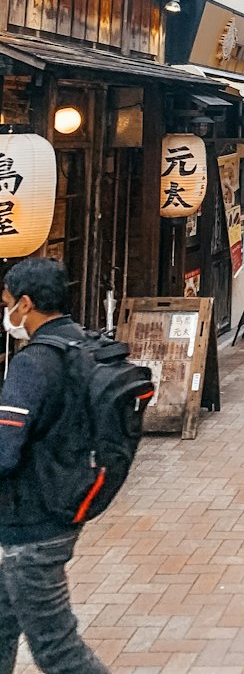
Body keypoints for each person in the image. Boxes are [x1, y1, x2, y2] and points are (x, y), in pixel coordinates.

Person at [0, 258, 110, 674]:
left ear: (25, 304)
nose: (6, 313)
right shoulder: (82, 346)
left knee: (56, 649)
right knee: (2, 617)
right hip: (66, 501)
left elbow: (4, 452)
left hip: (32, 522)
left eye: (7, 303)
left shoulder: (32, 364)